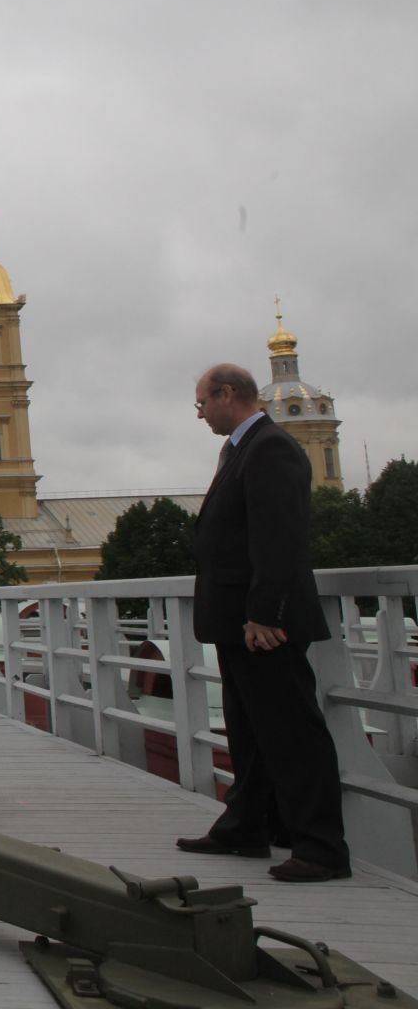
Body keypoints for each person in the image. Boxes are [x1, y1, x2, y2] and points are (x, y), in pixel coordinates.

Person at [177, 363, 350, 882]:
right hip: (236, 621)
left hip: (261, 625)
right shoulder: (241, 449)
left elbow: (279, 538)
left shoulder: (270, 448)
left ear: (228, 394)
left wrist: (263, 613)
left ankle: (320, 847)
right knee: (250, 731)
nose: (201, 414)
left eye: (202, 403)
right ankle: (246, 825)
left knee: (291, 733)